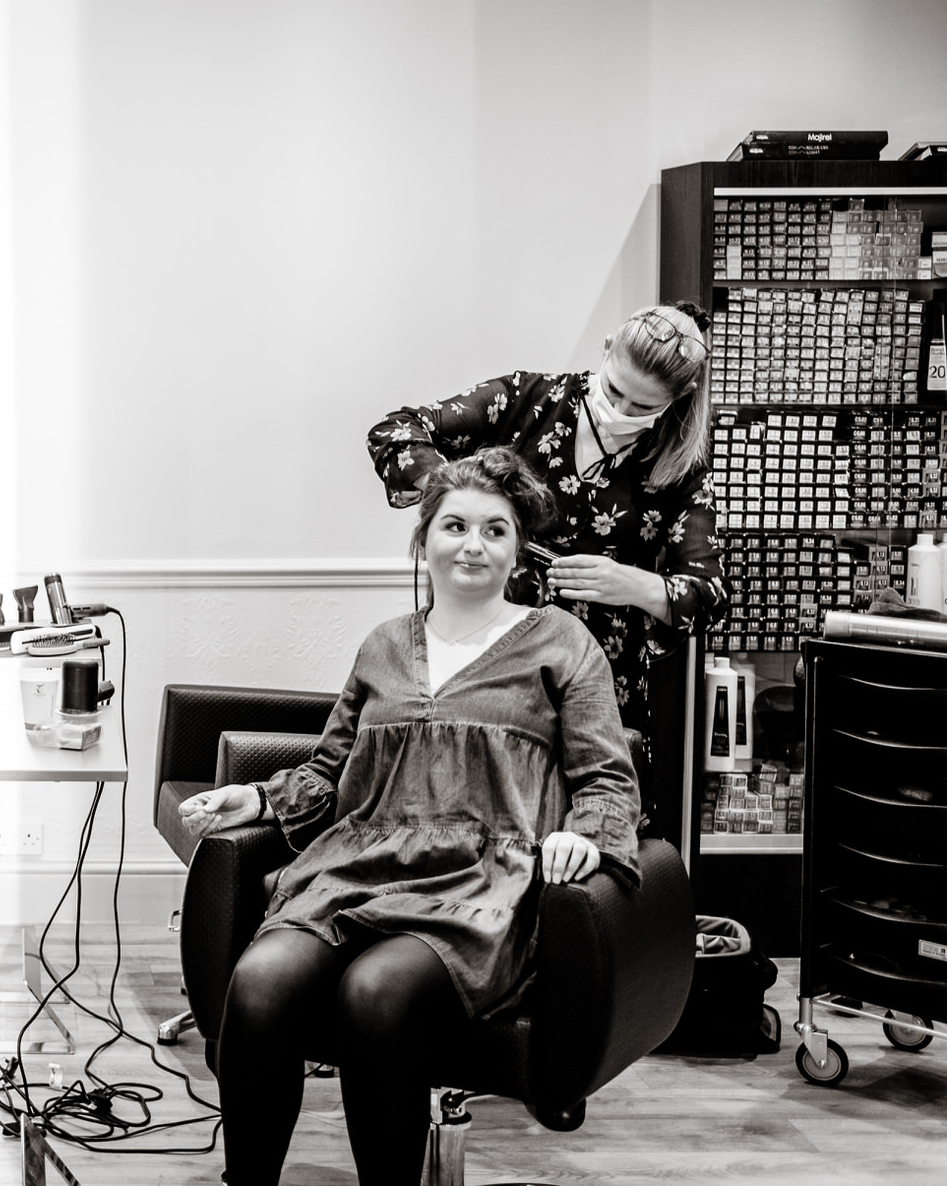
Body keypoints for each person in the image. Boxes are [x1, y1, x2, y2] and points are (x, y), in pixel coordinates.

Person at [180, 449, 640, 1186]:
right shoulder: (385, 645)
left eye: (495, 529)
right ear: (424, 539)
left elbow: (607, 777)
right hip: (355, 870)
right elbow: (330, 768)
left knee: (376, 991)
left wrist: (583, 834)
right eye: (455, 525)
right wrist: (261, 798)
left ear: (519, 548)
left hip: (477, 887)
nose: (473, 544)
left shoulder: (561, 643)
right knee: (260, 983)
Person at [365, 302, 729, 793]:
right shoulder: (527, 400)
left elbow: (708, 596)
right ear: (605, 352)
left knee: (581, 815)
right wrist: (459, 496)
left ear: (678, 397)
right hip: (486, 653)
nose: (620, 412)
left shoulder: (680, 460)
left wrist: (635, 585)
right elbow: (397, 430)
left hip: (596, 678)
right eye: (614, 390)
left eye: (642, 407)